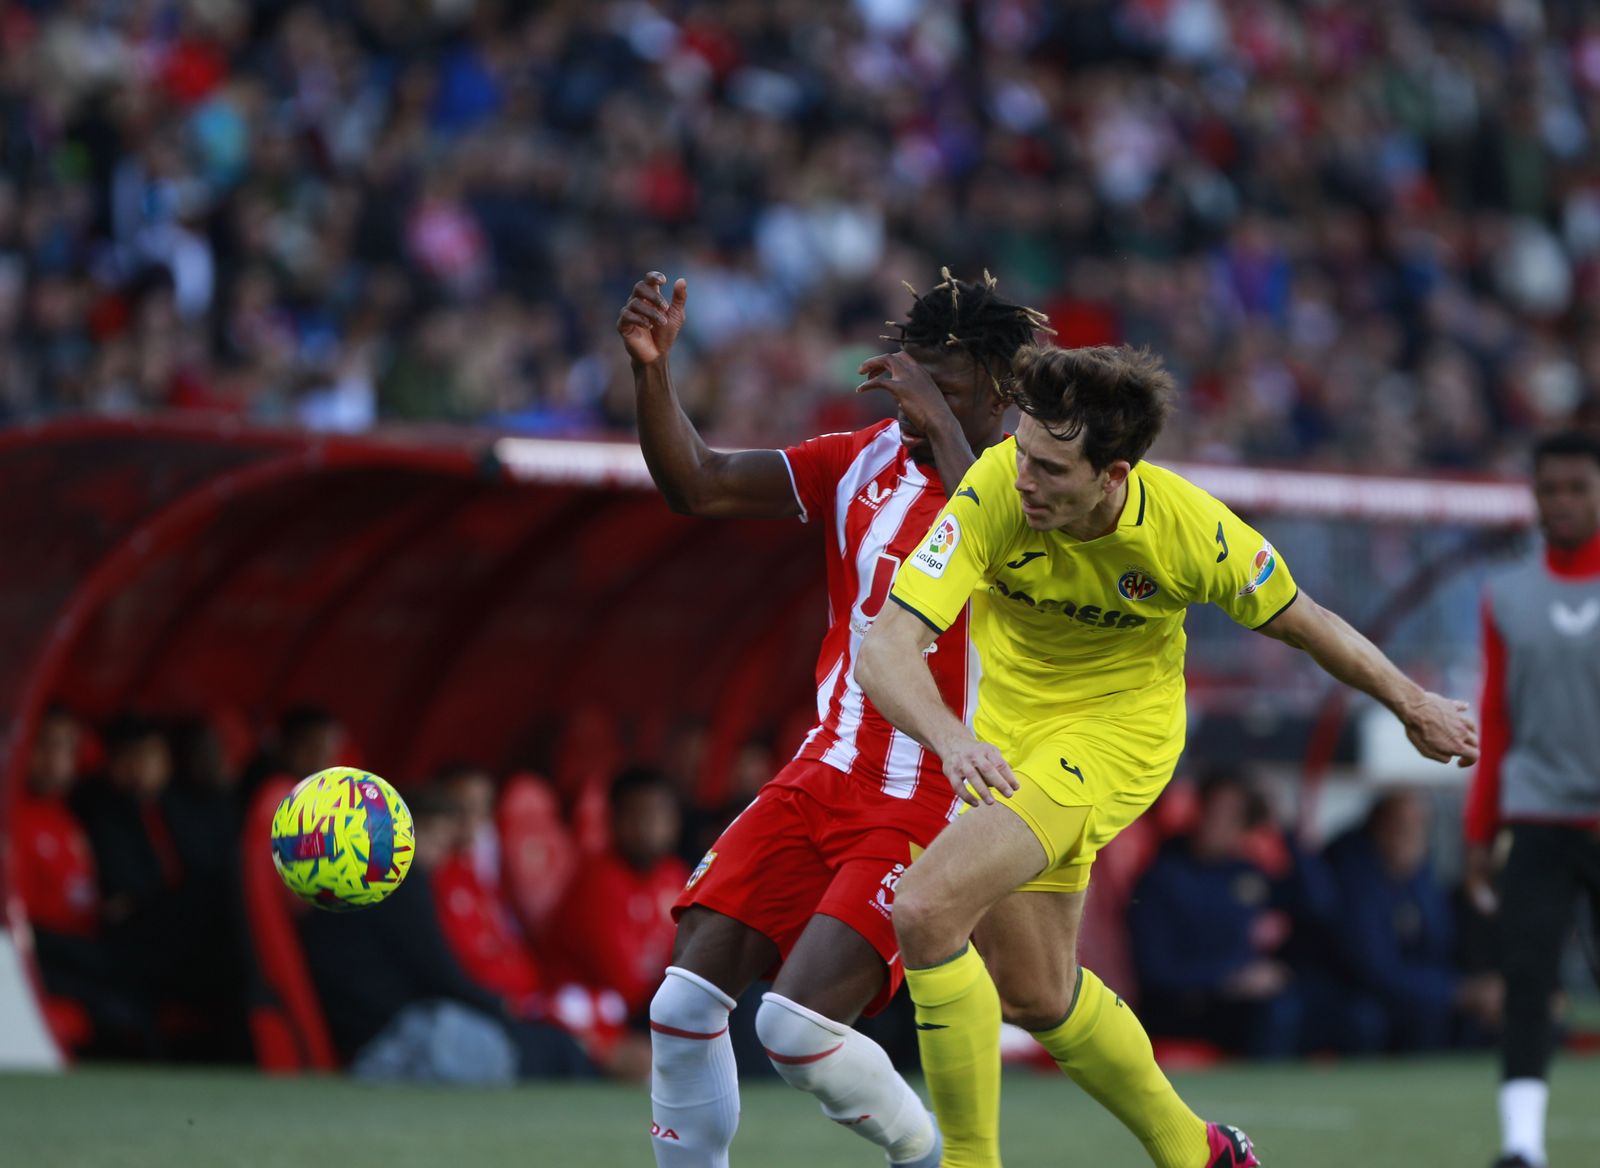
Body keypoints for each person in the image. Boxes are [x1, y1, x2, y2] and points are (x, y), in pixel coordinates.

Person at [856, 343, 1478, 1168]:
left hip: (1118, 740)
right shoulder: (997, 490)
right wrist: (953, 736)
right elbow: (887, 649)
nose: (1024, 477)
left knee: (927, 908)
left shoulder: (1191, 530)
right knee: (1035, 995)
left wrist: (1414, 702)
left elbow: (1306, 619)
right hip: (1007, 742)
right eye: (1022, 453)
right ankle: (1201, 1152)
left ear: (1113, 474)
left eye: (1049, 467)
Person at [617, 267, 1047, 1168]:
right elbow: (697, 483)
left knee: (795, 1027)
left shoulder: (1035, 485)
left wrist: (937, 423)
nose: (913, 397)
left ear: (1002, 390)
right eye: (911, 372)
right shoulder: (860, 460)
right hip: (822, 772)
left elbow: (1011, 574)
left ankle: (928, 1157)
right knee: (683, 1005)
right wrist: (654, 372)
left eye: (946, 381)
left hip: (935, 797)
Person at [1463, 430, 1600, 1168]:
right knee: (1527, 979)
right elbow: (1498, 714)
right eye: (1551, 490)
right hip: (1538, 814)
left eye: (1579, 487)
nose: (1564, 503)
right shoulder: (1507, 595)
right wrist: (1480, 829)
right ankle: (1523, 1147)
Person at [1129, 772, 1384, 1060]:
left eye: (1236, 815)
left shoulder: (1244, 874)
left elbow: (1319, 904)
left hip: (1249, 998)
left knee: (1356, 1014)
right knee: (1276, 1011)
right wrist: (1231, 977)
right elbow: (1155, 970)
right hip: (1188, 1003)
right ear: (1197, 811)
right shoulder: (1163, 877)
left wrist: (1283, 828)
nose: (1222, 823)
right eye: (1215, 811)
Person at [1329, 790, 1500, 1053]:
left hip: (1423, 991)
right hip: (1359, 995)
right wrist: (1455, 993)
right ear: (1378, 829)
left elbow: (1441, 947)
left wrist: (1477, 989)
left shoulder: (1423, 878)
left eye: (1420, 825)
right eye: (1401, 826)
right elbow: (1373, 968)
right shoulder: (1355, 881)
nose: (1411, 835)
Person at [548, 766, 688, 1018]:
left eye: (661, 814)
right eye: (640, 816)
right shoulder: (597, 883)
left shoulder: (674, 874)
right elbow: (628, 986)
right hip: (597, 1016)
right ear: (612, 820)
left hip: (655, 1005)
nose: (652, 826)